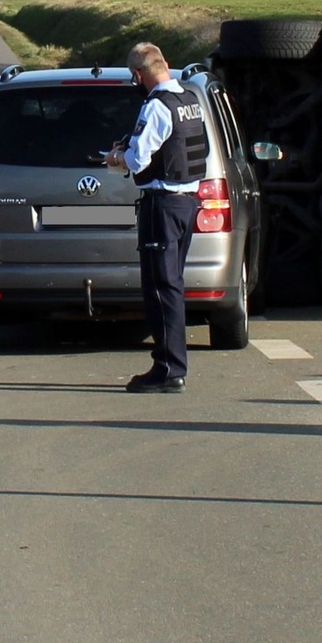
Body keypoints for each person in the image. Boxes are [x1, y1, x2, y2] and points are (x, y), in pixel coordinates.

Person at [106, 42, 209, 393]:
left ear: (139, 74)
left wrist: (116, 157)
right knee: (172, 285)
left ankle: (168, 369)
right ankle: (171, 364)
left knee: (160, 289)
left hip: (162, 205)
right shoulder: (190, 100)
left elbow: (138, 160)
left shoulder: (157, 107)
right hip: (187, 203)